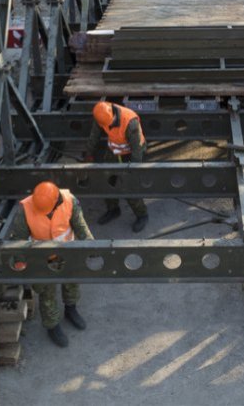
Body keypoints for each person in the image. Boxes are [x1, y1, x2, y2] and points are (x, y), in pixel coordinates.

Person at [8, 181, 93, 348]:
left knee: (72, 283)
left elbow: (80, 225)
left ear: (56, 201)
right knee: (47, 292)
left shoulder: (69, 201)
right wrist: (19, 260)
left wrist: (91, 246)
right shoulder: (25, 209)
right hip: (41, 258)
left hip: (67, 253)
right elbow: (18, 238)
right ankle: (52, 325)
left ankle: (71, 309)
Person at [84, 100, 149, 232]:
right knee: (107, 181)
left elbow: (137, 150)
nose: (107, 126)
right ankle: (113, 209)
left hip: (130, 154)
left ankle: (142, 215)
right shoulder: (101, 115)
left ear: (113, 115)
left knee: (129, 186)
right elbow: (94, 136)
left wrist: (132, 170)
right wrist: (88, 153)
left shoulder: (130, 122)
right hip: (114, 151)